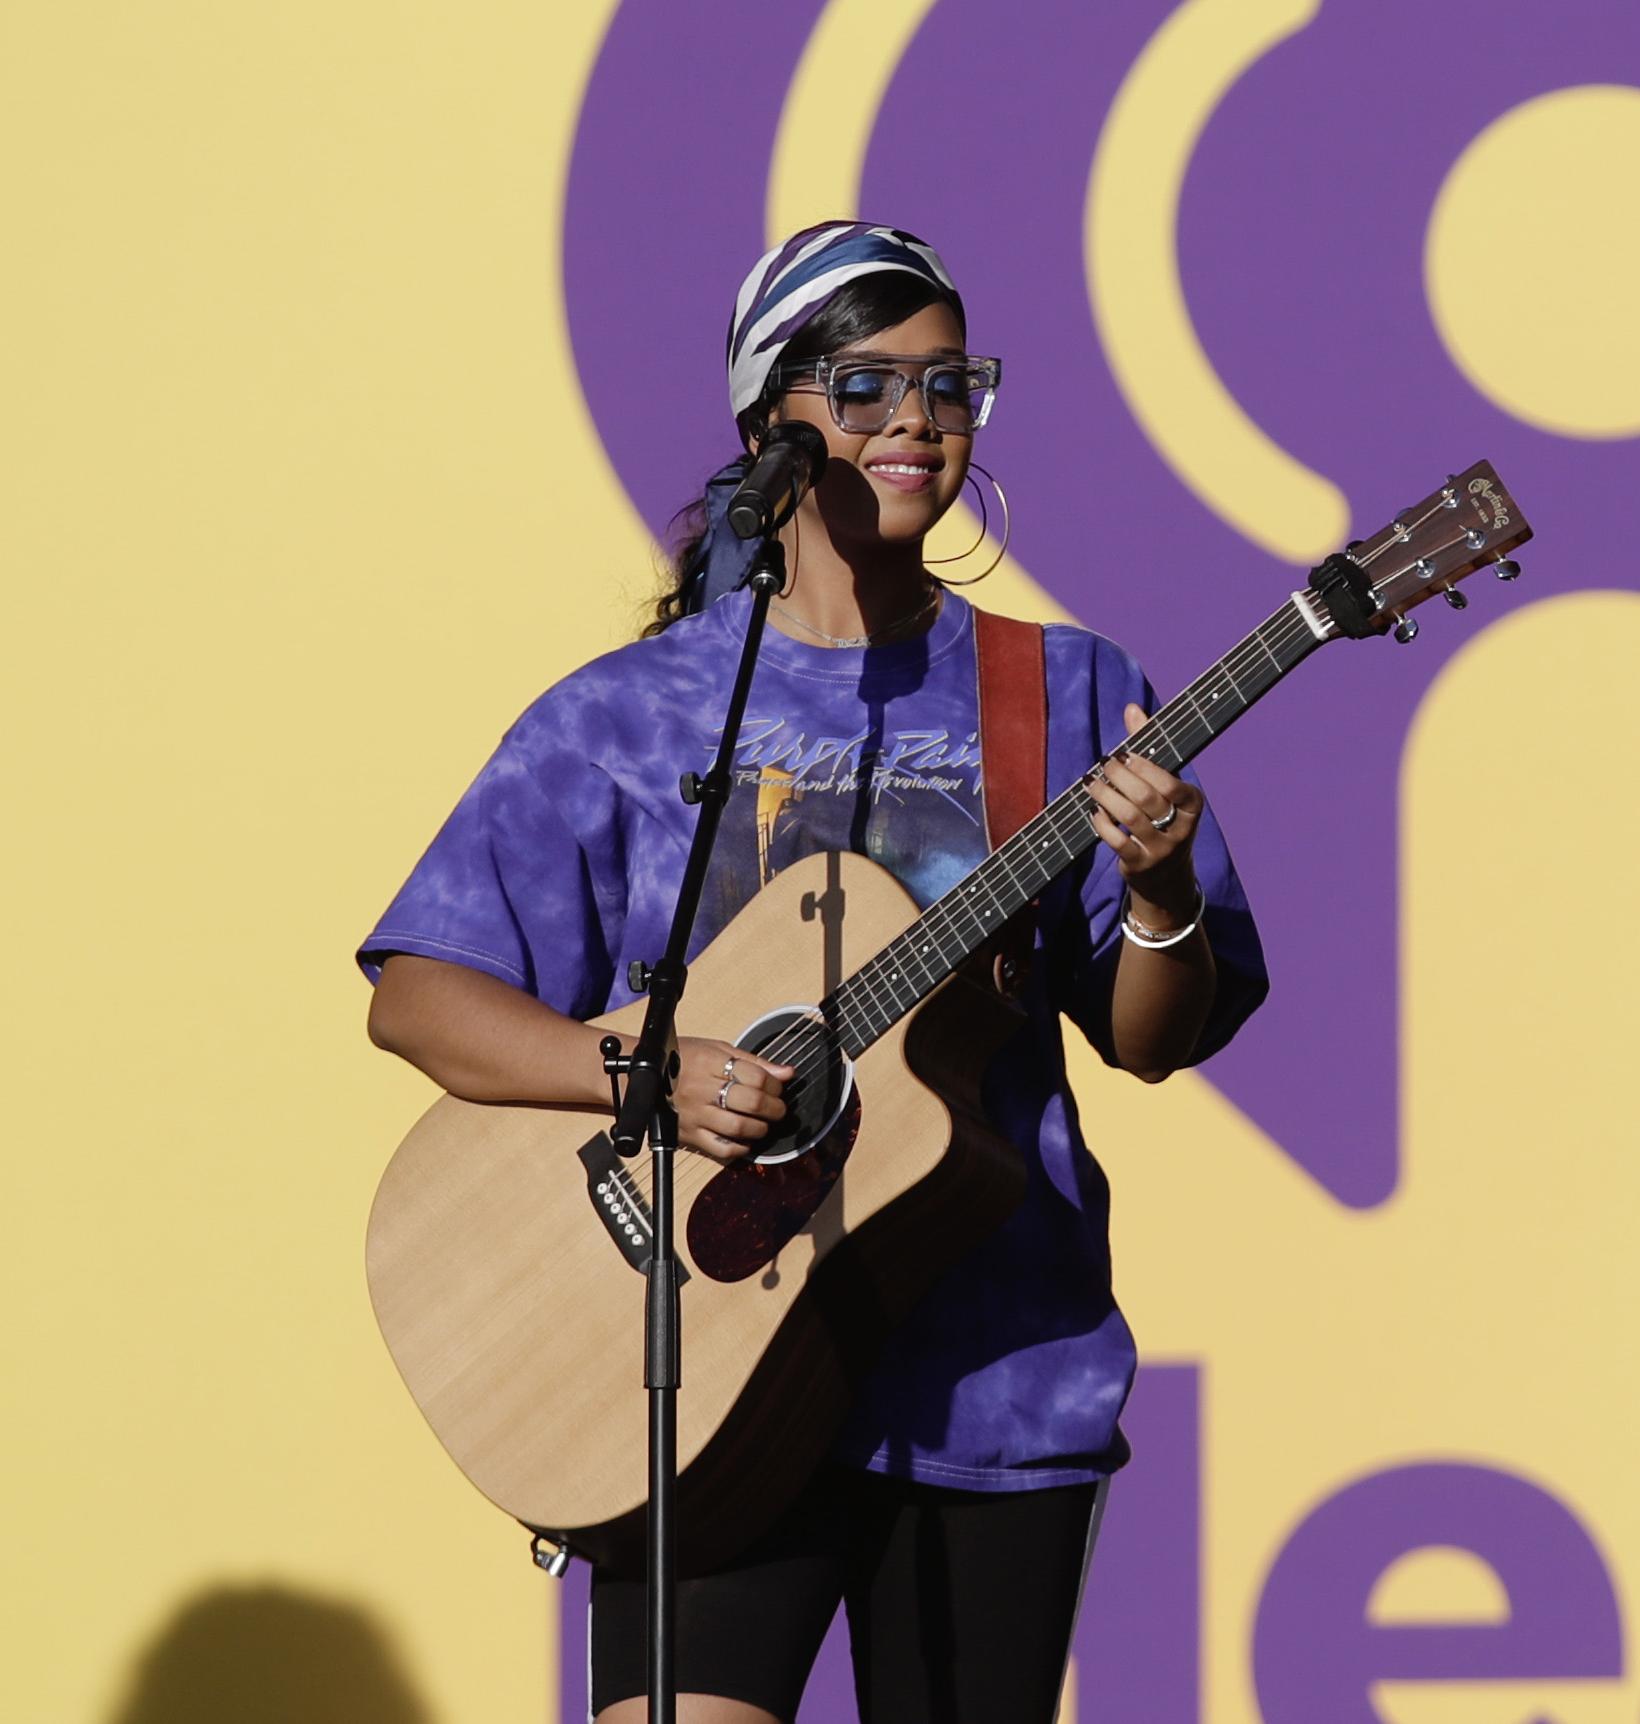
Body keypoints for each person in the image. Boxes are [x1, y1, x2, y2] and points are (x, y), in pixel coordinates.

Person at [359, 222, 1267, 1724]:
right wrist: (649, 1074)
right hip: (695, 1363)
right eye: (864, 388)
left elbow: (1153, 1038)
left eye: (948, 387)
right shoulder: (635, 716)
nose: (916, 424)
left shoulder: (1067, 691)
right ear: (772, 427)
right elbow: (423, 996)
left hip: (990, 1382)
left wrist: (1159, 886)